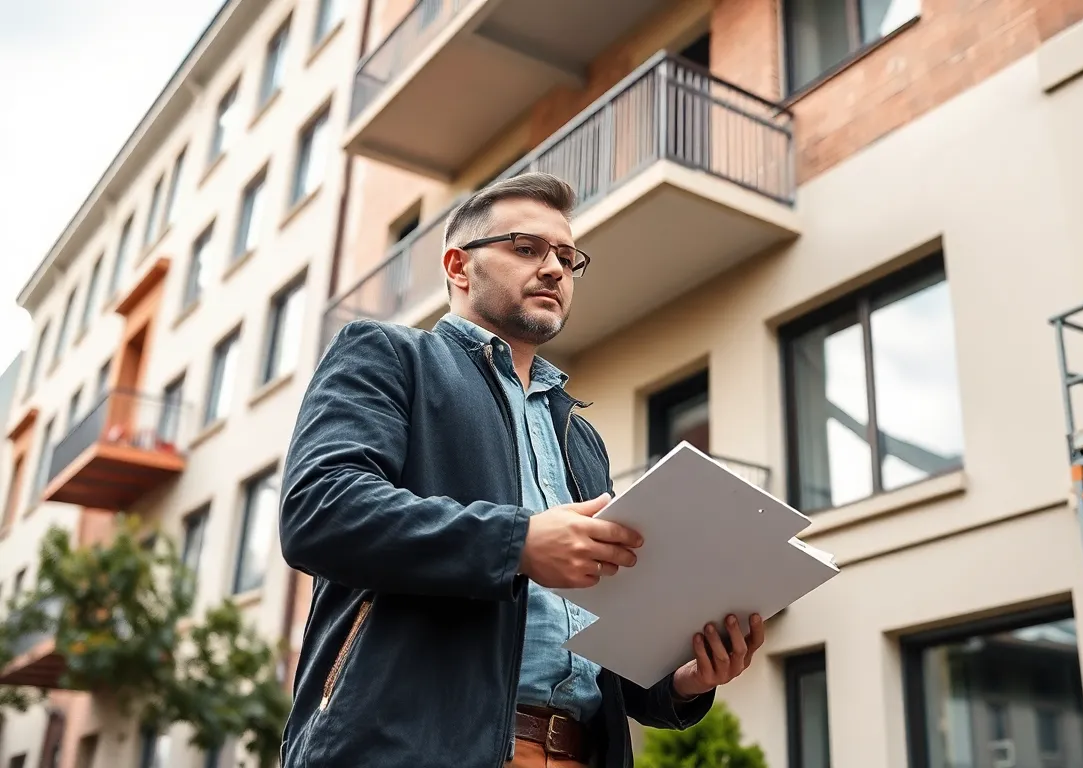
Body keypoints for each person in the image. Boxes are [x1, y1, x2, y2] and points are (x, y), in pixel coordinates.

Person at [277, 171, 765, 768]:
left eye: (567, 257)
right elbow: (320, 509)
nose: (555, 269)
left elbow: (602, 655)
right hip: (412, 749)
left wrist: (681, 678)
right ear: (459, 267)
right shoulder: (388, 356)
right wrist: (520, 543)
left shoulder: (580, 438)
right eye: (527, 248)